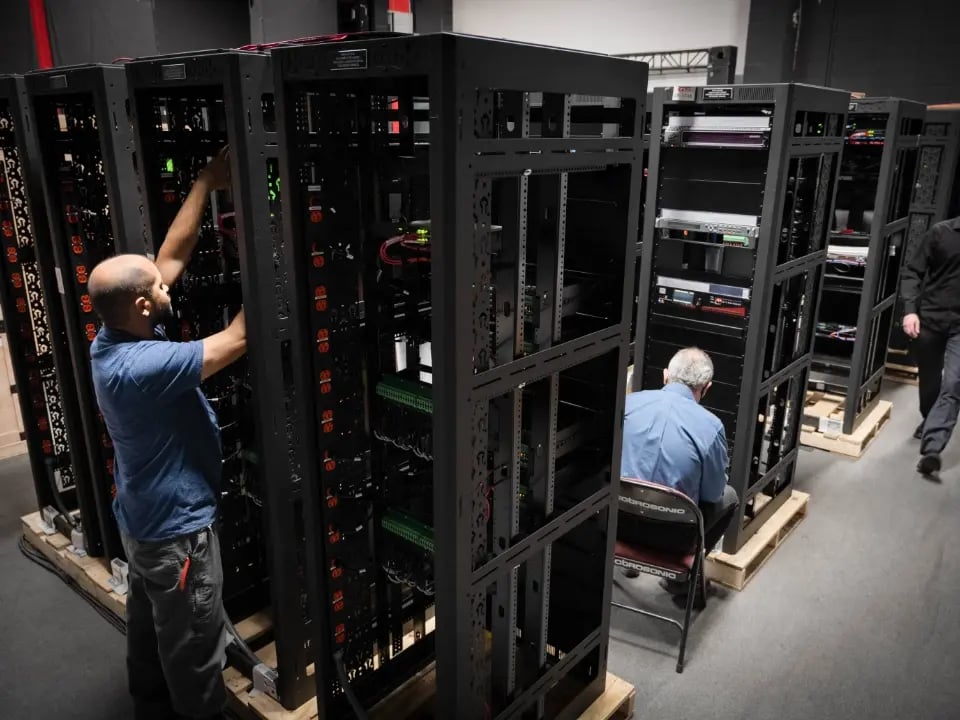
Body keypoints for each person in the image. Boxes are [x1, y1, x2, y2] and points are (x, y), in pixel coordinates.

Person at [88, 148, 246, 720]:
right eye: (156, 287)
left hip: (141, 520)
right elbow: (238, 339)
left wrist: (205, 181)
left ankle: (150, 708)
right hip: (177, 534)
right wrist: (275, 244)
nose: (165, 284)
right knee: (195, 649)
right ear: (140, 304)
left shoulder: (112, 337)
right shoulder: (144, 365)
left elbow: (169, 257)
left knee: (153, 632)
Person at [618, 347, 739, 603]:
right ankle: (681, 580)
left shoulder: (628, 404)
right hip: (672, 536)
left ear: (665, 376)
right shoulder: (711, 426)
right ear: (706, 388)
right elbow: (713, 493)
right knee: (730, 497)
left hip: (617, 521)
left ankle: (630, 561)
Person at [901, 215, 960, 477]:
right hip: (931, 320)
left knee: (954, 384)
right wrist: (910, 311)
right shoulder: (940, 233)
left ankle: (933, 448)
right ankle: (930, 418)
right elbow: (913, 272)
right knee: (930, 381)